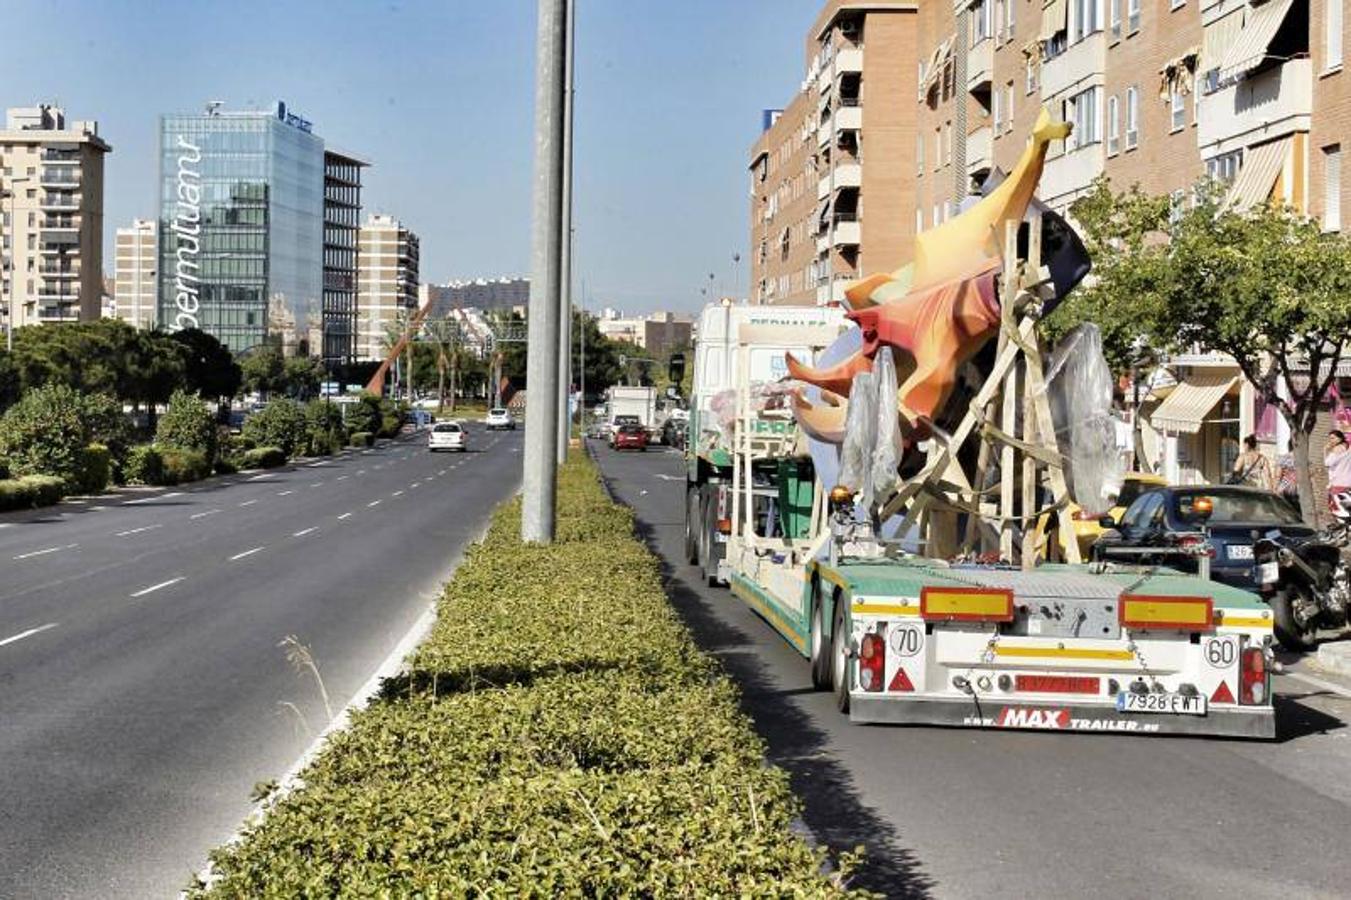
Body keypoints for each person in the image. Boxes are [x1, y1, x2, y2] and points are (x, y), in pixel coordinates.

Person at [1326, 430, 1351, 513]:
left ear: (1340, 438)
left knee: (1336, 508)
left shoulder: (1336, 449)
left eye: (1333, 438)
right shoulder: (1349, 448)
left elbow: (1327, 463)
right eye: (1330, 439)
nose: (1331, 440)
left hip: (1338, 483)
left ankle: (1345, 524)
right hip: (1348, 482)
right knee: (1347, 507)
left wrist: (1326, 450)